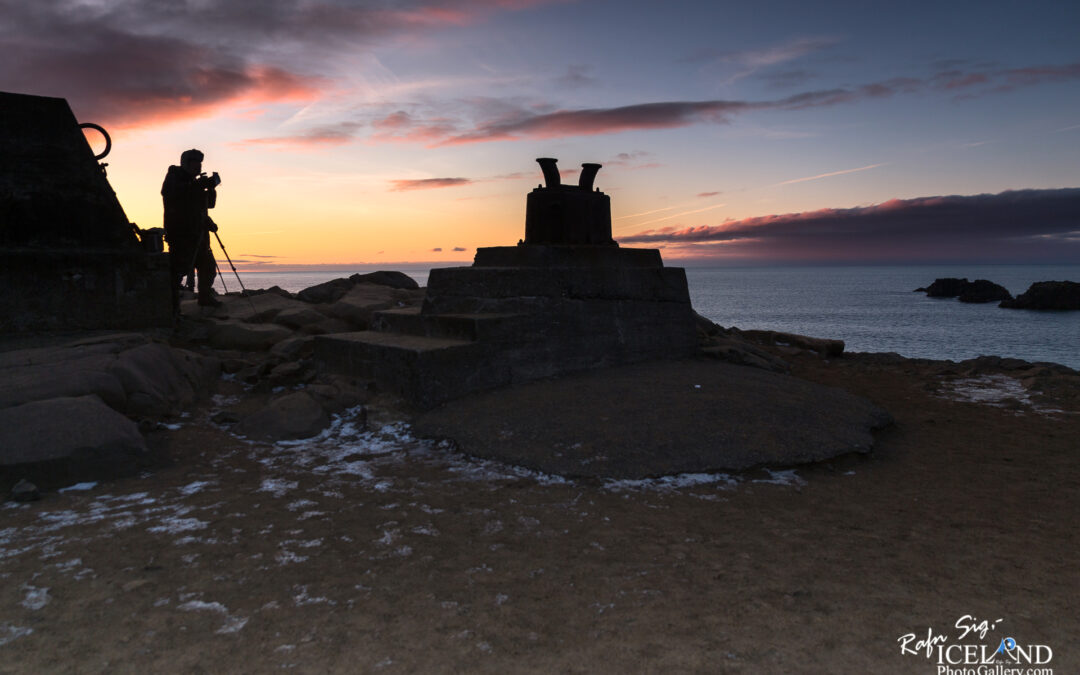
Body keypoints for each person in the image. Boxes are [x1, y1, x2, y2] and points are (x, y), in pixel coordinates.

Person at [161, 148, 221, 310]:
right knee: (178, 271)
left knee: (207, 267)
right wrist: (197, 185)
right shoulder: (174, 177)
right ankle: (171, 308)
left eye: (200, 164)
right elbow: (174, 194)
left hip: (199, 234)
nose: (199, 167)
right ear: (186, 164)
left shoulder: (195, 184)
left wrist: (211, 189)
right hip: (181, 234)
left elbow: (207, 206)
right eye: (195, 164)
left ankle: (205, 297)